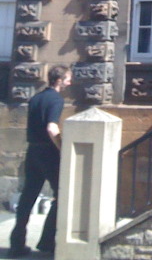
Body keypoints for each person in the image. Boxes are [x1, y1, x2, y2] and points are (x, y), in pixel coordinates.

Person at [9, 65, 72, 258]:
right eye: (69, 78)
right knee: (61, 196)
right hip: (49, 153)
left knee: (28, 197)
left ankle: (16, 245)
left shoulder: (35, 98)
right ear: (60, 80)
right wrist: (62, 147)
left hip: (33, 151)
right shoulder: (56, 100)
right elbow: (52, 128)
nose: (71, 82)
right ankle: (46, 241)